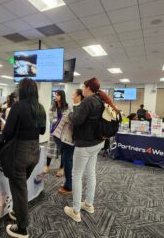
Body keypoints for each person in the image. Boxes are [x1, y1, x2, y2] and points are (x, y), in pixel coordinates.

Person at [64, 77, 115, 222]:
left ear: (87, 88)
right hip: (97, 142)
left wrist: (71, 113)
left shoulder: (88, 101)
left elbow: (77, 119)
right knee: (91, 172)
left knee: (77, 175)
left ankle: (75, 211)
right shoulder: (100, 100)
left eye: (84, 87)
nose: (83, 89)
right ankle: (88, 204)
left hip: (85, 144)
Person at [4, 78, 46, 238]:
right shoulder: (40, 108)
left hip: (19, 151)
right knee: (20, 185)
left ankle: (22, 227)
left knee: (19, 188)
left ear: (21, 91)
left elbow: (7, 132)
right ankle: (17, 211)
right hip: (35, 151)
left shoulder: (18, 106)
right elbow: (42, 131)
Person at [58, 89, 84, 195]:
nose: (72, 96)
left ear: (79, 96)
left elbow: (71, 119)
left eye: (73, 94)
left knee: (67, 161)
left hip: (70, 139)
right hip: (67, 138)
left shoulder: (78, 108)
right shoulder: (76, 107)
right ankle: (69, 182)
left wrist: (67, 116)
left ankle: (69, 186)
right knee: (68, 160)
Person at [45, 90, 69, 177]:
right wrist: (60, 121)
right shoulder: (53, 106)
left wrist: (62, 121)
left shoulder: (67, 107)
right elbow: (51, 119)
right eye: (55, 95)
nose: (56, 96)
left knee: (62, 151)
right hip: (53, 132)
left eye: (57, 95)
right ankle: (47, 166)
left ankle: (61, 168)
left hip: (63, 133)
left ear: (61, 96)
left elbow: (68, 119)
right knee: (50, 148)